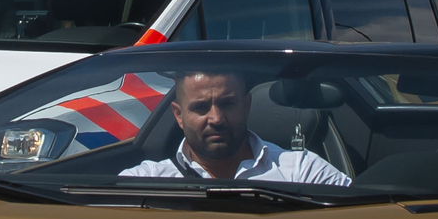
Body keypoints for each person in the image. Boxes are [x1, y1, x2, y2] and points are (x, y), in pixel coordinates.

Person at [121, 70, 352, 184]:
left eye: (227, 103)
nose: (216, 118)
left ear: (247, 105)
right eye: (201, 107)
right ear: (179, 116)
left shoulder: (301, 173)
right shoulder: (147, 183)